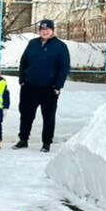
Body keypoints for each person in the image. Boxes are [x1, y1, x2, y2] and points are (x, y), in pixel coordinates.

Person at [13, 19, 70, 153]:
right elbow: (24, 61)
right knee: (26, 114)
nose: (45, 32)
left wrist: (58, 86)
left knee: (48, 117)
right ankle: (23, 139)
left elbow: (64, 68)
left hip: (49, 89)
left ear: (52, 30)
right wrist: (22, 79)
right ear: (39, 31)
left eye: (47, 29)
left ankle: (46, 143)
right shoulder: (33, 43)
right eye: (42, 29)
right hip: (29, 87)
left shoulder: (60, 46)